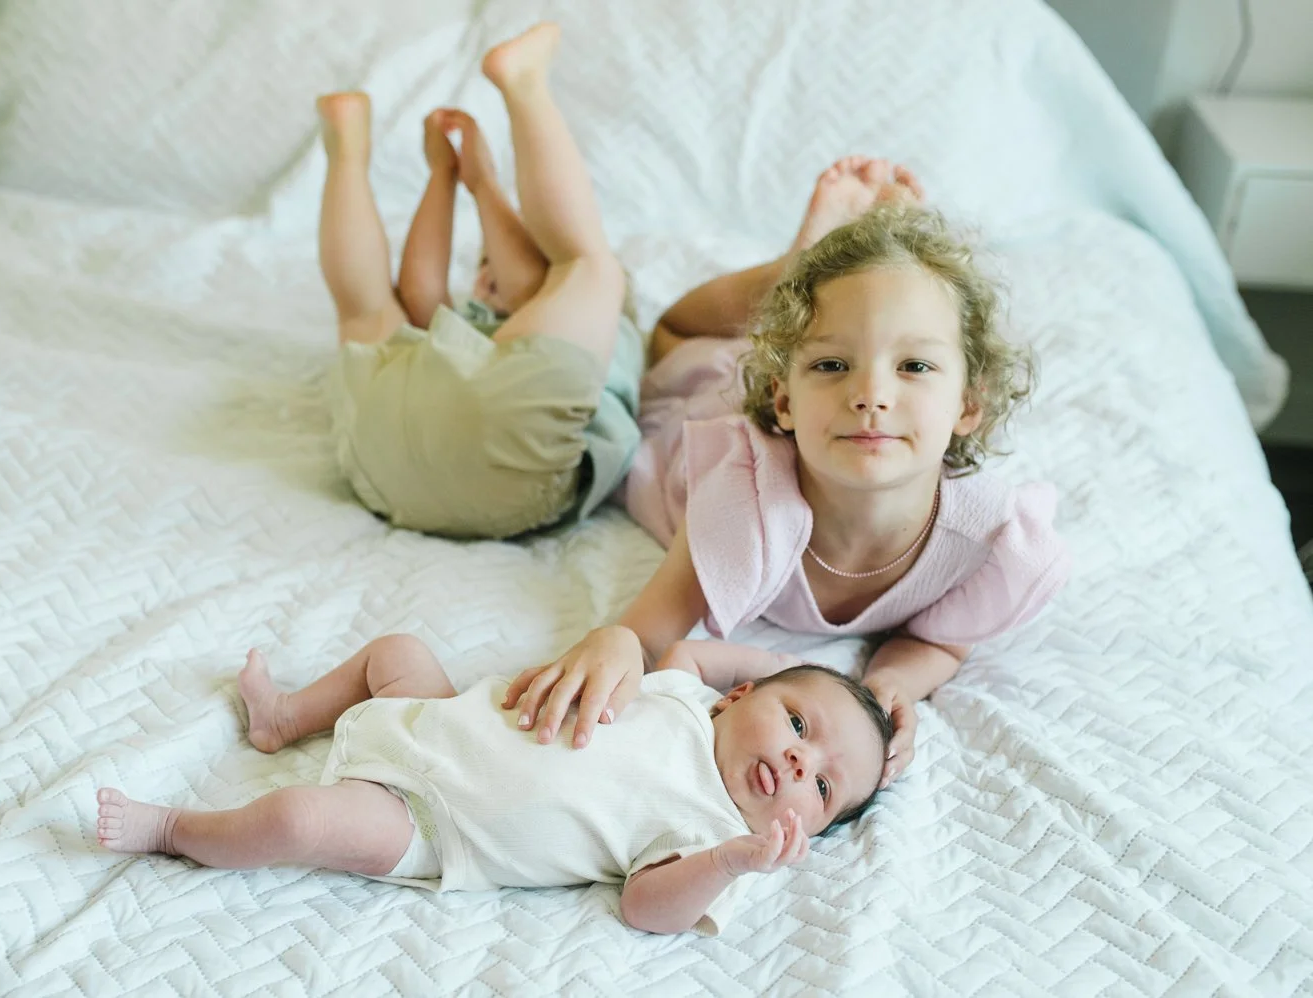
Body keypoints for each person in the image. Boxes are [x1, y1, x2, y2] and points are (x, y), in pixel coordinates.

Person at [500, 161, 1070, 788]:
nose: (871, 393)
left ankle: (812, 292)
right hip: (697, 396)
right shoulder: (746, 499)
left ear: (969, 403)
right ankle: (791, 269)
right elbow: (644, 634)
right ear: (785, 403)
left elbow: (942, 638)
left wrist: (891, 681)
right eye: (833, 364)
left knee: (798, 327)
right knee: (663, 336)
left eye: (914, 366)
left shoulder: (985, 540)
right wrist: (612, 643)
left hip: (774, 377)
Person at [96, 637, 894, 936]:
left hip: (434, 823)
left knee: (299, 818)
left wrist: (735, 864)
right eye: (799, 725)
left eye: (823, 789)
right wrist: (792, 669)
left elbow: (645, 908)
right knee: (395, 648)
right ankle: (284, 720)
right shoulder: (680, 691)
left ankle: (174, 830)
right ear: (739, 696)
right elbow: (695, 648)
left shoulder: (717, 836)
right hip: (436, 716)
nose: (799, 765)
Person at [318, 21, 643, 540]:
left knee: (589, 266)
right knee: (580, 264)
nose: (489, 274)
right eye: (483, 264)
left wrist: (480, 182)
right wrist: (442, 177)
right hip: (487, 480)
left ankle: (348, 152)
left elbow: (532, 288)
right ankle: (519, 85)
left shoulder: (611, 327)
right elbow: (425, 294)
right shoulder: (483, 339)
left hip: (380, 458)